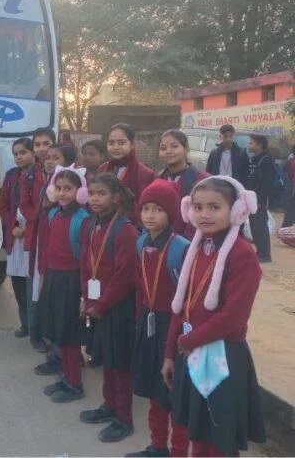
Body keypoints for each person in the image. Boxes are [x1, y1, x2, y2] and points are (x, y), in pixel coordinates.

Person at [162, 176, 266, 456]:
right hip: (190, 349)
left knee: (219, 437)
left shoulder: (242, 254)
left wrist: (187, 341)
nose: (204, 214)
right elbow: (180, 305)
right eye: (198, 207)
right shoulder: (195, 248)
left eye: (214, 207)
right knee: (197, 431)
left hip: (223, 355)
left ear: (236, 210)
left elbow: (233, 317)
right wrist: (170, 353)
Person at [126, 180, 190, 457]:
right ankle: (157, 446)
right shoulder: (141, 242)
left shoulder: (181, 249)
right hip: (148, 323)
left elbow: (187, 299)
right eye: (145, 209)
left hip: (172, 327)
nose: (150, 215)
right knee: (154, 390)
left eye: (158, 209)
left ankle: (178, 451)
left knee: (173, 394)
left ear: (171, 213)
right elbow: (140, 288)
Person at [79, 173, 138, 442]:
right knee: (105, 358)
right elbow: (86, 263)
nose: (94, 199)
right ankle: (109, 405)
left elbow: (124, 275)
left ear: (115, 197)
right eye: (92, 194)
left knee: (119, 363)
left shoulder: (125, 229)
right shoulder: (92, 223)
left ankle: (124, 418)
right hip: (97, 305)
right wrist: (86, 298)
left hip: (118, 307)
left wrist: (101, 305)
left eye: (101, 194)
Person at [38, 166, 89, 403]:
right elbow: (46, 249)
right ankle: (65, 376)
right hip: (53, 278)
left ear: (80, 192)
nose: (62, 193)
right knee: (58, 331)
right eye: (58, 188)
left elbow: (85, 260)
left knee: (70, 335)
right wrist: (43, 278)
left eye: (68, 188)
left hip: (72, 281)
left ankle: (75, 384)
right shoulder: (52, 215)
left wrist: (84, 295)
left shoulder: (83, 219)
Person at [25, 146, 71, 373]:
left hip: (67, 270)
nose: (50, 161)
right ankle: (56, 357)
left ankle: (66, 363)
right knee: (50, 308)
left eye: (56, 158)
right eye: (48, 158)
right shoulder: (50, 200)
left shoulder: (76, 212)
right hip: (46, 257)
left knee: (64, 317)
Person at [18, 128, 56, 352]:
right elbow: (24, 205)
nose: (42, 149)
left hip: (59, 236)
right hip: (36, 237)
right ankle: (35, 334)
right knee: (33, 285)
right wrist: (40, 217)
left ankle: (54, 335)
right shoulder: (29, 175)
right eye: (38, 144)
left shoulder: (64, 172)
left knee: (53, 287)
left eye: (47, 143)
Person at [0, 137, 35, 338]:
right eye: (15, 154)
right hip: (15, 237)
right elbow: (3, 205)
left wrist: (27, 229)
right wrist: (11, 226)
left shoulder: (40, 174)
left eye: (23, 152)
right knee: (18, 285)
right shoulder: (11, 175)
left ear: (33, 153)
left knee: (32, 287)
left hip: (33, 237)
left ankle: (36, 329)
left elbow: (41, 208)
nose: (19, 157)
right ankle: (25, 325)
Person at [156, 130, 209, 239]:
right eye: (163, 148)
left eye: (174, 146)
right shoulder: (157, 179)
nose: (168, 151)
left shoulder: (203, 180)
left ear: (186, 149)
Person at [99, 123, 155, 224]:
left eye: (121, 143)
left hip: (132, 226)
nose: (115, 147)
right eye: (111, 143)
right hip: (103, 223)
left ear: (132, 144)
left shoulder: (146, 174)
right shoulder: (103, 169)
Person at [245, 134, 276, 263]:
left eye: (252, 143)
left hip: (260, 199)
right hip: (254, 198)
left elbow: (266, 184)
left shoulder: (266, 161)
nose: (249, 145)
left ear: (260, 145)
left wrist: (259, 200)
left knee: (260, 226)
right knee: (255, 225)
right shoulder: (256, 159)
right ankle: (260, 252)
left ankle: (264, 255)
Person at [282, 146, 295, 227]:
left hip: (291, 188)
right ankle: (285, 229)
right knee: (290, 212)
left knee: (290, 211)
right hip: (292, 189)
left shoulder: (291, 161)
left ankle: (285, 228)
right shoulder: (292, 161)